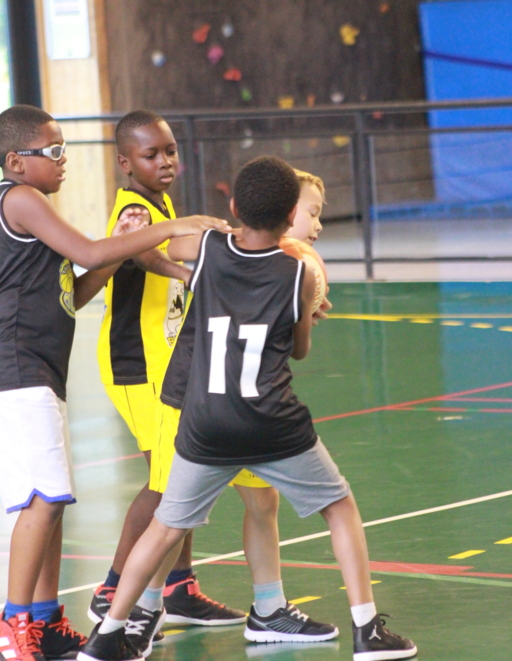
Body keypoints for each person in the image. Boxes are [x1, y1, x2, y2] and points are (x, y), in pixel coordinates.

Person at [78, 156, 417, 661]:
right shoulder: (299, 273)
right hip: (270, 423)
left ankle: (107, 635)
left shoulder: (210, 249)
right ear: (290, 217)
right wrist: (304, 311)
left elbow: (163, 246)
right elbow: (299, 350)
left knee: (167, 525)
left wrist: (173, 231)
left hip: (205, 421)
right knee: (340, 507)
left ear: (234, 207)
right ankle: (367, 630)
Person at [0, 105, 231, 661]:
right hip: (19, 371)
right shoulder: (20, 199)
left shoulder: (32, 205)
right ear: (16, 161)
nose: (63, 161)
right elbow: (88, 251)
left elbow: (75, 290)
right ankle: (12, 627)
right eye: (53, 152)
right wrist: (169, 228)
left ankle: (45, 620)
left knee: (53, 501)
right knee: (41, 501)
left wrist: (113, 259)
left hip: (42, 372)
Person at [90, 110, 245, 632]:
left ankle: (177, 588)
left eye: (170, 151)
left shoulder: (160, 202)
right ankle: (112, 590)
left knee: (181, 472)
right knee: (165, 479)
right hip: (135, 361)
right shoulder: (133, 208)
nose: (165, 162)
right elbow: (143, 255)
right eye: (151, 154)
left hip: (165, 357)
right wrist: (189, 270)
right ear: (125, 162)